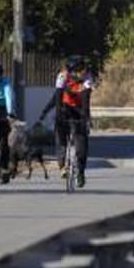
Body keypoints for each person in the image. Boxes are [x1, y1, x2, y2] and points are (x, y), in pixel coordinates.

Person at [38, 55, 93, 187]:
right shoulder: (62, 77)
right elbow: (57, 98)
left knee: (82, 142)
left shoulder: (87, 79)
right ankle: (62, 164)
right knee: (60, 132)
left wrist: (85, 118)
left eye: (84, 69)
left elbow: (86, 101)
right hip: (65, 107)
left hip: (79, 108)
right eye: (81, 70)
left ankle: (80, 171)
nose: (84, 72)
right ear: (73, 71)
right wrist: (57, 115)